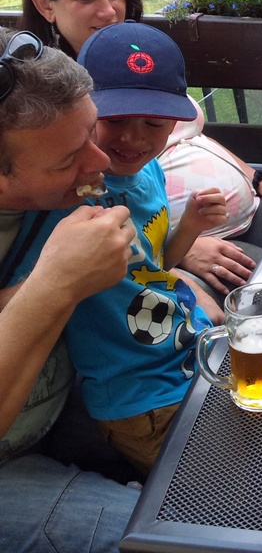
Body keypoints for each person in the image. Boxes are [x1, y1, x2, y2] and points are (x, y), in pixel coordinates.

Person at [20, 0, 262, 296]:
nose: (108, 10)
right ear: (45, 4)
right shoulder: (49, 105)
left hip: (197, 225)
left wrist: (254, 177)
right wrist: (179, 256)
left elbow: (191, 134)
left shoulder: (139, 60)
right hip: (178, 254)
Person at [9, 21, 226, 474]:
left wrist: (189, 233)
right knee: (209, 482)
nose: (128, 142)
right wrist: (59, 280)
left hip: (190, 349)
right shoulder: (60, 211)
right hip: (138, 394)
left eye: (154, 124)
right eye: (113, 122)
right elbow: (31, 293)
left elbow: (152, 263)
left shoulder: (148, 173)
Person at [0, 31, 140, 551]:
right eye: (67, 161)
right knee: (161, 537)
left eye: (91, 131)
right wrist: (56, 285)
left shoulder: (58, 186)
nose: (100, 162)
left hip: (64, 403)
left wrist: (182, 248)